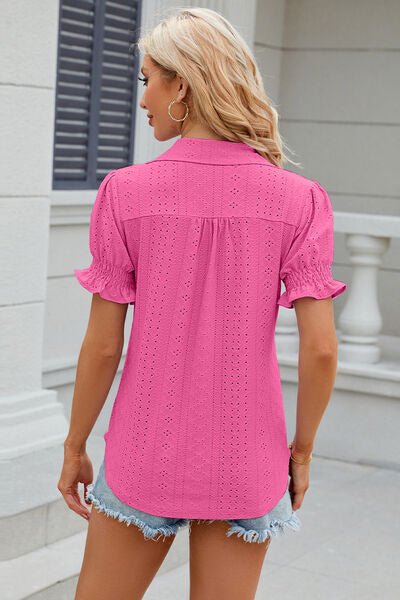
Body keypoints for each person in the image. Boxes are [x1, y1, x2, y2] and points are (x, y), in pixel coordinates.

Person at [58, 7, 347, 600]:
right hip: (248, 457)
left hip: (143, 451)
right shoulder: (302, 200)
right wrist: (301, 452)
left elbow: (104, 345)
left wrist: (74, 445)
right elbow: (320, 350)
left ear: (182, 86)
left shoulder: (123, 193)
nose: (142, 100)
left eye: (147, 80)